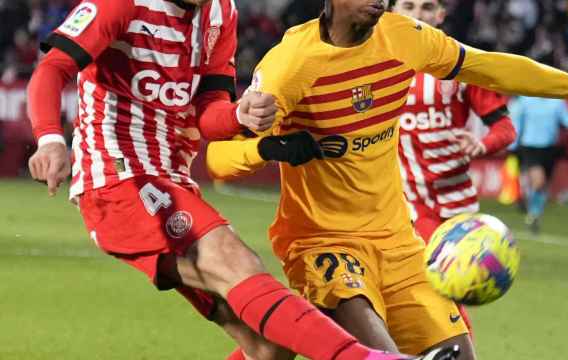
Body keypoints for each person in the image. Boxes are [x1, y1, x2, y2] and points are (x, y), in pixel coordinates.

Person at [206, 0, 568, 358]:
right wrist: (266, 149)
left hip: (399, 245)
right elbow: (218, 157)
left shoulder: (404, 37)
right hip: (323, 242)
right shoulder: (291, 62)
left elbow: (490, 67)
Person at [26, 1, 430, 359]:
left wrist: (240, 115)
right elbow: (53, 68)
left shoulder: (222, 13)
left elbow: (208, 113)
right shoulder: (120, 5)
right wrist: (50, 140)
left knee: (268, 346)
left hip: (172, 180)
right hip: (119, 179)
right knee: (235, 261)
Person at [389, 0, 517, 337]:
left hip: (455, 208)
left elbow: (505, 129)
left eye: (428, 7)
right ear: (392, 12)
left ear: (441, 15)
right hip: (401, 203)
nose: (418, 15)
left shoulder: (462, 65)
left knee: (445, 300)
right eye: (409, 6)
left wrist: (481, 144)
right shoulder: (376, 63)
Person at [509, 96, 568, 233]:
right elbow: (518, 122)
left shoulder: (557, 102)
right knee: (539, 181)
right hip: (530, 146)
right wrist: (513, 145)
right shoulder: (525, 100)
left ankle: (534, 213)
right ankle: (532, 211)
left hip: (549, 148)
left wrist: (561, 122)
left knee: (543, 186)